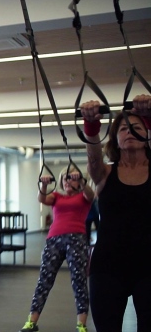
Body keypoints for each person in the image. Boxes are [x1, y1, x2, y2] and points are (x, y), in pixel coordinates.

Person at [80, 94, 151, 332]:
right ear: (116, 139)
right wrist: (91, 126)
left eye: (136, 127)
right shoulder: (105, 174)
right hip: (107, 267)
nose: (129, 131)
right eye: (123, 129)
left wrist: (149, 114)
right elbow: (93, 158)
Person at [18, 167, 94, 332]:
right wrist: (44, 185)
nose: (67, 181)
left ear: (78, 181)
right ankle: (31, 321)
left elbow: (91, 194)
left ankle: (81, 325)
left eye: (71, 178)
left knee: (79, 282)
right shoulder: (57, 197)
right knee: (44, 281)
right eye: (65, 178)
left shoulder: (84, 196)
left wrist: (81, 179)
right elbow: (42, 198)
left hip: (77, 240)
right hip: (54, 240)